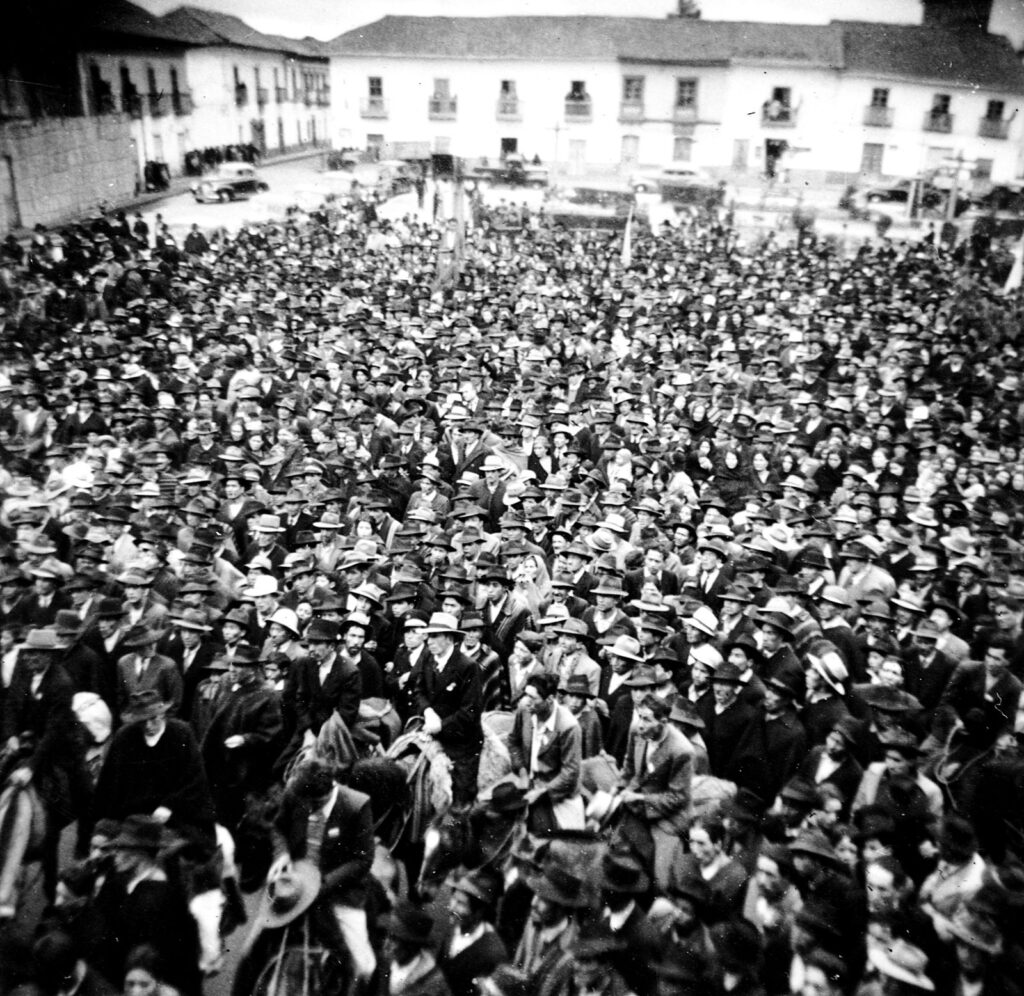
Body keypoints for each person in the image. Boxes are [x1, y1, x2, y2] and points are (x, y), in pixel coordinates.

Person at [271, 757, 377, 984]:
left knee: (365, 966)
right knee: (249, 952)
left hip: (338, 891)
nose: (309, 809)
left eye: (316, 804)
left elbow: (363, 860)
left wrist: (322, 884)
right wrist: (282, 855)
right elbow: (278, 828)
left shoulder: (356, 805)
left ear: (332, 788)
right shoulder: (295, 793)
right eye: (305, 803)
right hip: (294, 887)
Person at [91, 689, 216, 850]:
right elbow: (109, 783)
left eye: (153, 719)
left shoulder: (182, 733)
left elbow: (195, 779)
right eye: (142, 722)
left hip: (175, 814)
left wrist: (169, 806)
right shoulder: (124, 737)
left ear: (163, 714)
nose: (148, 726)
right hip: (131, 814)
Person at [618, 692, 693, 890]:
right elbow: (629, 767)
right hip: (635, 800)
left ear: (664, 721)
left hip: (665, 815)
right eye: (639, 717)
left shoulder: (681, 750)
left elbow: (677, 797)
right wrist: (618, 789)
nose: (640, 724)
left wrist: (640, 798)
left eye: (647, 719)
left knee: (661, 878)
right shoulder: (637, 730)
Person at [412, 611, 483, 805]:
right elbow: (418, 690)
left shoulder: (467, 666)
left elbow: (470, 711)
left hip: (461, 743)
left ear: (449, 638)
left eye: (435, 636)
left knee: (459, 795)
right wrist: (427, 711)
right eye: (428, 636)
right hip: (430, 731)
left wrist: (441, 725)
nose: (429, 641)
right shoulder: (428, 657)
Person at [507, 671, 583, 834]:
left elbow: (570, 772)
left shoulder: (568, 726)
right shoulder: (524, 710)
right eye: (525, 695)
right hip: (528, 782)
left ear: (549, 700)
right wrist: (522, 772)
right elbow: (514, 742)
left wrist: (543, 792)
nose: (526, 701)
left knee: (564, 842)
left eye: (532, 698)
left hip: (557, 793)